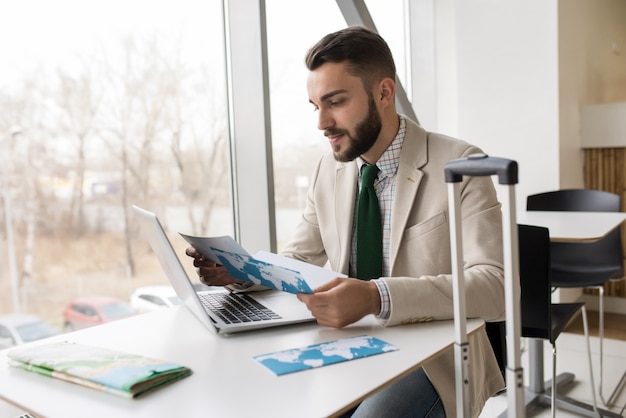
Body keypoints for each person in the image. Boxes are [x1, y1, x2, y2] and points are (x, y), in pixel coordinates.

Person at [187, 26, 505, 417]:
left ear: (384, 93)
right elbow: (298, 258)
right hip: (347, 340)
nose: (322, 122)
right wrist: (240, 272)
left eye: (335, 102)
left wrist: (375, 297)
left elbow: (497, 287)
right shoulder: (329, 170)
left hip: (432, 356)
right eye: (315, 105)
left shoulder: (461, 166)